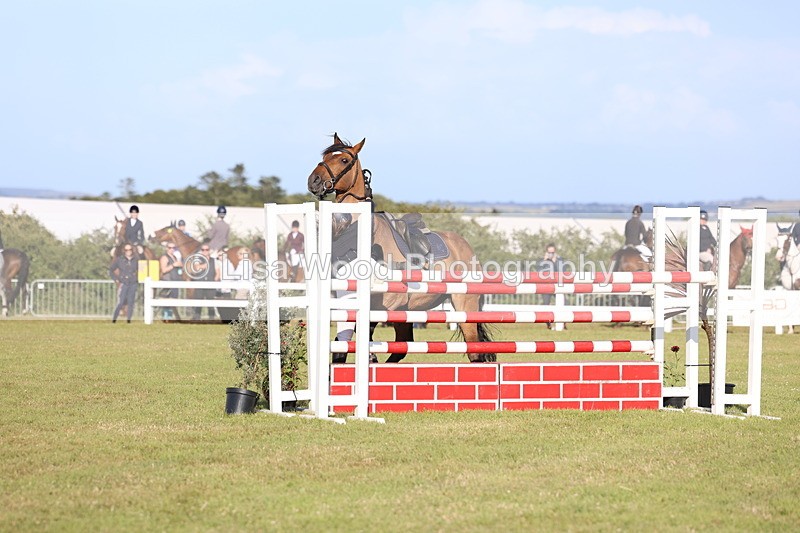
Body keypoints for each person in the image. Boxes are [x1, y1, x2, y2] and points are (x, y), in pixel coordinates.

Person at [109, 244, 139, 323]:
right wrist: (116, 279)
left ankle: (129, 320)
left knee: (131, 302)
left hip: (133, 283)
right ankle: (114, 319)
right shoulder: (119, 260)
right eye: (126, 250)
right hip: (124, 283)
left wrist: (138, 278)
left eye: (130, 250)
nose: (128, 251)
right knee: (121, 302)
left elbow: (142, 270)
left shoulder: (136, 260)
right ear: (124, 251)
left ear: (132, 250)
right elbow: (111, 270)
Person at [191, 244, 219, 320]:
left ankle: (211, 318)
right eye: (203, 249)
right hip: (200, 283)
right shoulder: (197, 259)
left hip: (210, 284)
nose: (205, 251)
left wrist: (214, 280)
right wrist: (204, 265)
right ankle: (196, 318)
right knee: (198, 301)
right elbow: (196, 268)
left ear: (209, 250)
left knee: (211, 302)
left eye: (206, 249)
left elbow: (217, 272)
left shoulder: (214, 260)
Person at [159, 243, 183, 320]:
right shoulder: (164, 257)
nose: (172, 249)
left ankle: (171, 316)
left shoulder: (175, 257)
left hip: (175, 281)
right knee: (166, 300)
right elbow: (164, 270)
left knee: (174, 300)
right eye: (170, 247)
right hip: (168, 281)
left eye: (174, 247)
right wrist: (173, 265)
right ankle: (166, 317)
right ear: (167, 248)